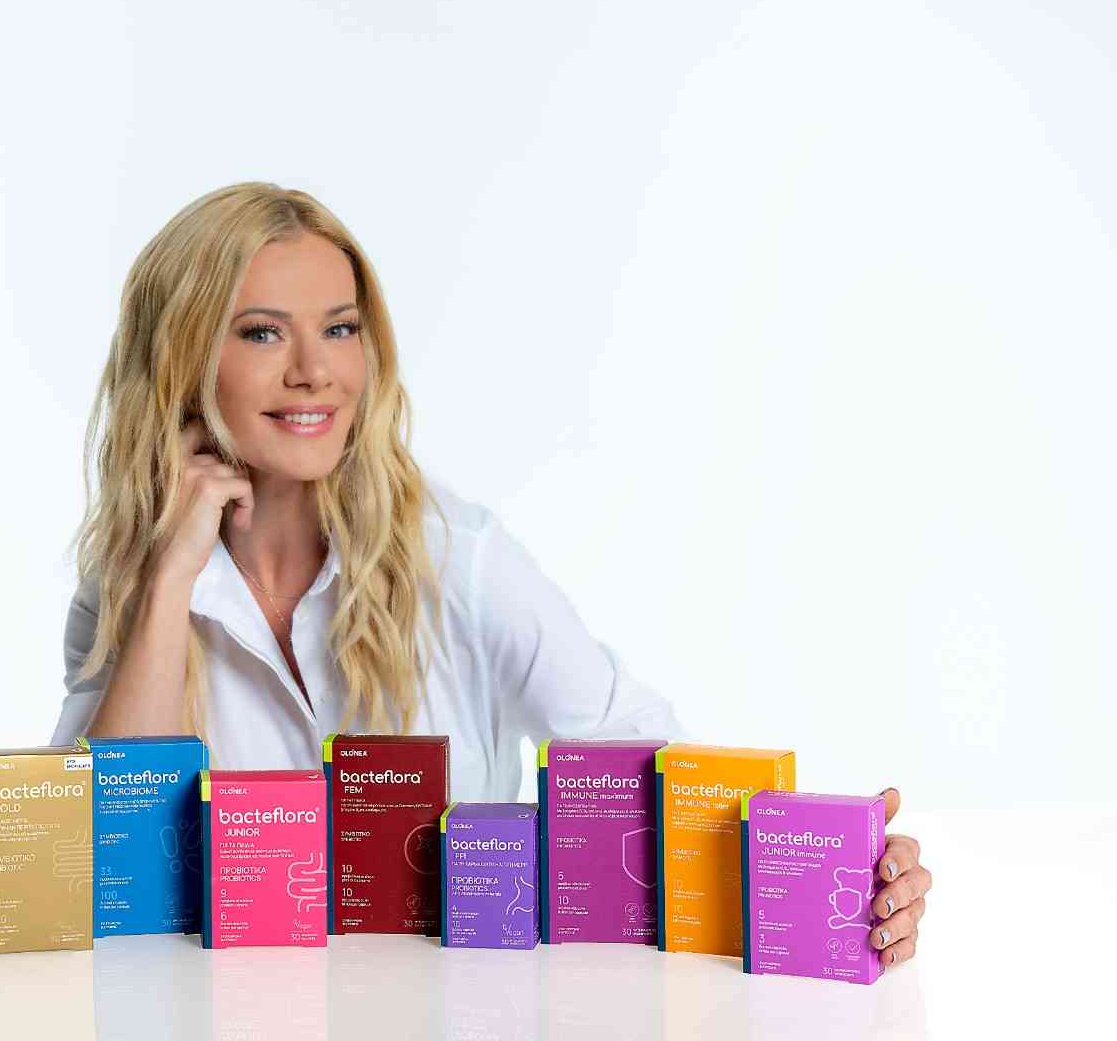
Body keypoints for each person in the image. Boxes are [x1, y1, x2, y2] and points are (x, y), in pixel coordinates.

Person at [51, 182, 930, 966]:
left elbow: (637, 754)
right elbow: (93, 869)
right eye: (262, 332)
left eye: (341, 329)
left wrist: (835, 875)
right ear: (181, 361)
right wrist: (169, 581)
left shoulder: (456, 555)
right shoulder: (135, 584)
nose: (315, 371)